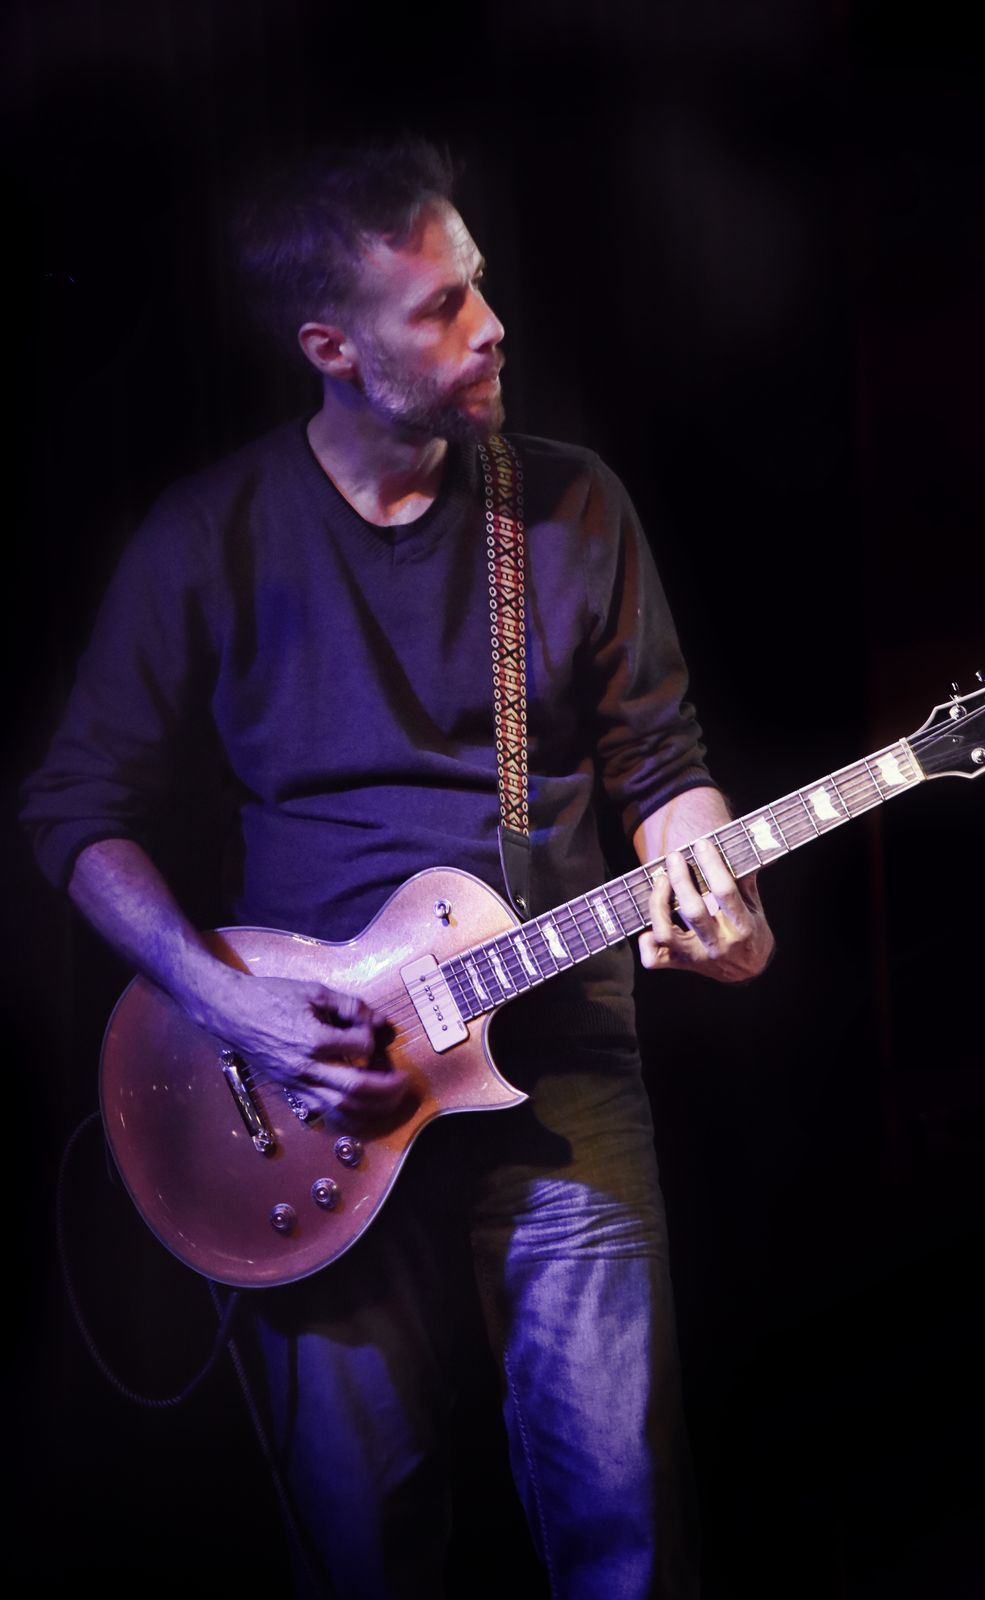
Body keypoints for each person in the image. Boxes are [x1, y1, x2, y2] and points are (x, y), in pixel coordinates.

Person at [22, 138, 774, 1598]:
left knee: (626, 1528)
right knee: (366, 1543)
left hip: (561, 1070)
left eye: (476, 282)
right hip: (309, 1100)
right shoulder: (210, 536)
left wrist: (710, 876)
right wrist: (228, 1003)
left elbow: (663, 767)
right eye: (439, 307)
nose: (490, 326)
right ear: (333, 350)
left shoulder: (571, 508)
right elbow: (74, 807)